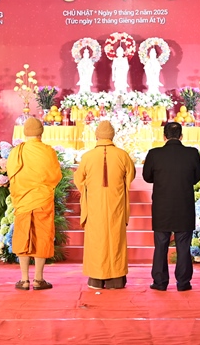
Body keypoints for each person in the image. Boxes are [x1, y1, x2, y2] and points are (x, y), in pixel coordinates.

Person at [74, 121, 136, 289]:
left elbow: (78, 180)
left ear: (96, 135)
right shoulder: (122, 155)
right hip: (116, 205)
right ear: (113, 135)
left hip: (95, 206)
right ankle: (116, 280)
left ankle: (96, 280)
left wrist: (89, 189)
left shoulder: (87, 156)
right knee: (116, 239)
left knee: (96, 240)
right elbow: (130, 176)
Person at [143, 122, 200, 291]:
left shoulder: (155, 154)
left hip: (162, 207)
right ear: (181, 136)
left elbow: (147, 177)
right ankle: (183, 283)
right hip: (184, 206)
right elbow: (196, 177)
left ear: (164, 136)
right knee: (183, 246)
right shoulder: (192, 153)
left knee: (161, 245)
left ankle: (160, 282)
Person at [7, 117, 62, 291]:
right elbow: (56, 176)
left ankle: (24, 279)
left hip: (23, 199)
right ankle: (38, 279)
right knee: (42, 235)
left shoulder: (16, 152)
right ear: (41, 132)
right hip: (42, 199)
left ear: (25, 132)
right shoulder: (48, 152)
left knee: (23, 234)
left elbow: (11, 174)